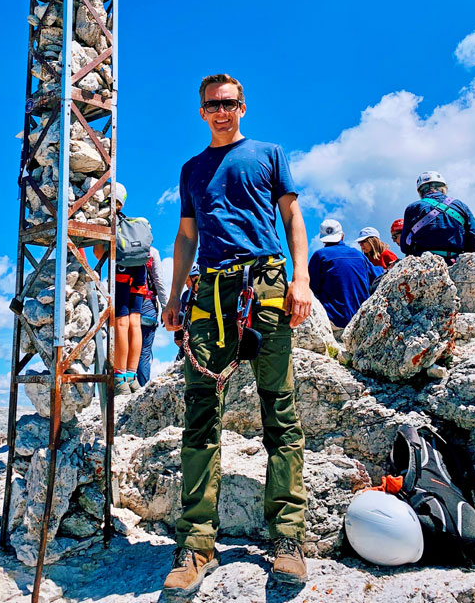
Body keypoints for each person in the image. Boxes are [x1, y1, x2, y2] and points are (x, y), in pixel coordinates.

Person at [162, 73, 313, 593]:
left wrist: (302, 279)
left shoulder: (269, 154)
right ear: (201, 111)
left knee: (279, 405)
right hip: (209, 292)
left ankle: (288, 538)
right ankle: (196, 543)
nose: (221, 111)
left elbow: (292, 216)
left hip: (266, 283)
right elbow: (186, 236)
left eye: (229, 103)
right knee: (201, 411)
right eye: (212, 105)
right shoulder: (191, 169)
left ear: (243, 106)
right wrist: (174, 293)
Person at [94, 183, 146, 395]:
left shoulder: (110, 222)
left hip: (122, 271)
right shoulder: (133, 225)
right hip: (139, 271)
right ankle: (132, 376)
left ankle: (119, 376)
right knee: (136, 322)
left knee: (121, 323)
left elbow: (99, 253)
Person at [308, 219, 381, 338]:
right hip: (359, 319)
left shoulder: (320, 256)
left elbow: (312, 287)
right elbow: (376, 277)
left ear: (323, 239)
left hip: (334, 320)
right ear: (342, 236)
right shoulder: (359, 255)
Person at [401, 171, 475, 265]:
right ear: (443, 188)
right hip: (455, 263)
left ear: (420, 191)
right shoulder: (460, 205)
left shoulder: (413, 208)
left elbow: (405, 246)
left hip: (424, 265)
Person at [136, 245, 169, 387]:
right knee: (144, 352)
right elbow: (158, 281)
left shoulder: (121, 248)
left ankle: (125, 385)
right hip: (148, 305)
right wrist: (165, 307)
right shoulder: (152, 251)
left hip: (124, 305)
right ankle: (141, 388)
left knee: (124, 347)